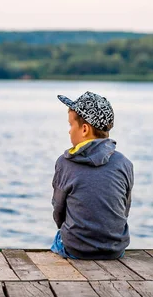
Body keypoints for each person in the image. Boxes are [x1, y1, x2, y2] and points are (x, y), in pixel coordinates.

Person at [50, 91, 134, 260]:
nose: (69, 131)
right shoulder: (124, 163)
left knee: (57, 240)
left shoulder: (65, 163)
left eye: (71, 125)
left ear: (85, 129)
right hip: (115, 250)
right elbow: (125, 208)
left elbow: (59, 211)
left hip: (76, 249)